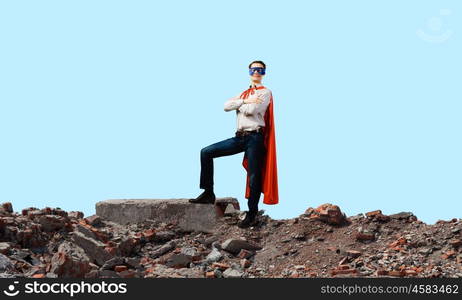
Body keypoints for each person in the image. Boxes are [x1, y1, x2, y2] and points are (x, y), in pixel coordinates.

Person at [189, 60, 278, 228]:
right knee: (206, 152)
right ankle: (208, 192)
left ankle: (252, 213)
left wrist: (240, 104)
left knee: (254, 176)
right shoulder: (245, 94)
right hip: (240, 137)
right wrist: (245, 102)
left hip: (255, 137)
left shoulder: (266, 92)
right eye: (253, 70)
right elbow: (225, 106)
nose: (256, 72)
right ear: (249, 72)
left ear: (264, 72)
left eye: (260, 70)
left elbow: (253, 111)